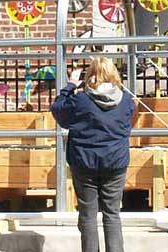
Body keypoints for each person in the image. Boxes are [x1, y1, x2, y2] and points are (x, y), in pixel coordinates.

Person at [51, 57, 135, 252]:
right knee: (112, 213)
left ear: (89, 76)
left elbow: (58, 111)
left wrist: (70, 85)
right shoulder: (126, 101)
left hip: (84, 163)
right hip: (115, 162)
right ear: (114, 74)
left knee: (88, 214)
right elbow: (129, 123)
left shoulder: (80, 101)